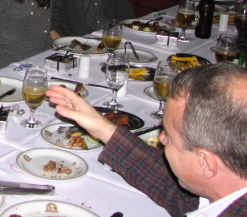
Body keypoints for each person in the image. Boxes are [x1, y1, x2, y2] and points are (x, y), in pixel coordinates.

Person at [47, 63, 247, 216]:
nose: (161, 138)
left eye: (169, 136)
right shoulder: (223, 188)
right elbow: (175, 191)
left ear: (206, 162)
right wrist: (101, 127)